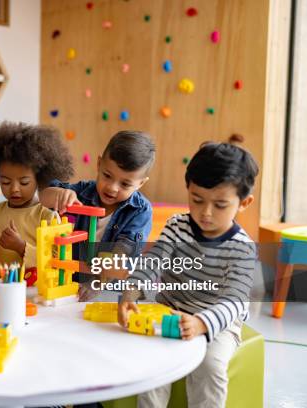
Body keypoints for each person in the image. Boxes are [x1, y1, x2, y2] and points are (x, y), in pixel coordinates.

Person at [117, 141, 259, 408]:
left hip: (218, 322)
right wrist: (130, 292)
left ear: (244, 203)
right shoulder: (176, 226)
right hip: (169, 308)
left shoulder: (242, 248)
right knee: (153, 362)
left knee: (210, 366)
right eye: (197, 200)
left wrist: (202, 324)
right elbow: (153, 262)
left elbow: (235, 301)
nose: (205, 213)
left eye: (220, 205)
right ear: (189, 190)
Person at [39, 131, 156, 297]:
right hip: (70, 282)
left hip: (109, 291)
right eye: (107, 176)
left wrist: (97, 283)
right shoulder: (82, 191)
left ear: (140, 183)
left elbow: (120, 255)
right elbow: (44, 198)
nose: (112, 187)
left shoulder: (140, 211)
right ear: (99, 164)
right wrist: (58, 194)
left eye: (125, 184)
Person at [0, 121, 74, 276]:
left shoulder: (47, 216)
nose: (14, 189)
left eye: (24, 182)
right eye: (6, 182)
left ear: (40, 178)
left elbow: (56, 262)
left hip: (35, 292)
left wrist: (21, 247)